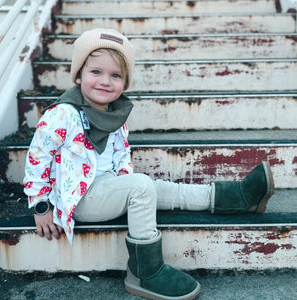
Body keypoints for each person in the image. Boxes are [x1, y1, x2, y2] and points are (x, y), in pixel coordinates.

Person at [23, 28, 274, 300]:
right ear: (79, 74)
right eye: (96, 72)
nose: (106, 81)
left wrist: (126, 183)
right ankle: (145, 271)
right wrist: (41, 205)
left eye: (115, 75)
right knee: (143, 187)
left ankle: (236, 197)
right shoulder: (62, 114)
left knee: (159, 189)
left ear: (124, 82)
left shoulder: (115, 115)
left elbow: (121, 157)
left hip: (106, 187)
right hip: (78, 199)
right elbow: (38, 158)